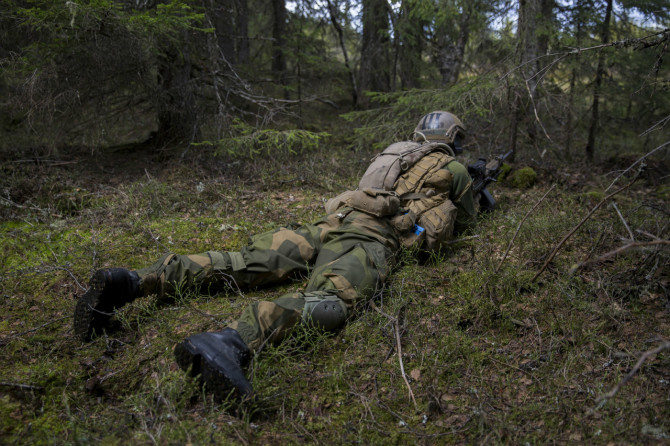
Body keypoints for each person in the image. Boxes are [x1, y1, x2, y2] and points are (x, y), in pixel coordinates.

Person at [73, 111, 477, 399]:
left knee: (244, 262)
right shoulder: (452, 168)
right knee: (334, 301)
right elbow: (466, 218)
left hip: (332, 222)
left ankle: (128, 281)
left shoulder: (396, 152)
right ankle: (232, 341)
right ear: (454, 139)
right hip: (368, 237)